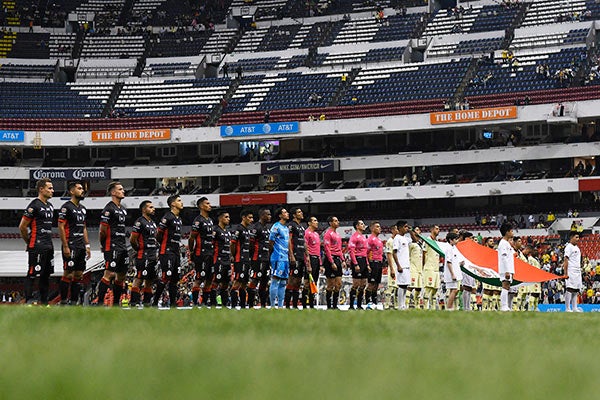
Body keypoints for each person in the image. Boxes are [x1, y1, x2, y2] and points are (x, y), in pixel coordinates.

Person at [19, 178, 55, 304]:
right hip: (37, 244)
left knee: (46, 275)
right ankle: (29, 301)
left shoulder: (50, 206)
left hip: (49, 245)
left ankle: (44, 303)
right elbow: (22, 226)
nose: (52, 190)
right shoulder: (34, 205)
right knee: (33, 272)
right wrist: (28, 242)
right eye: (49, 188)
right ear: (41, 189)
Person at [57, 181, 91, 305]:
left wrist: (87, 246)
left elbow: (84, 228)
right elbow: (60, 226)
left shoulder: (83, 209)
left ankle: (74, 301)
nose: (82, 190)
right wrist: (65, 246)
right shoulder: (66, 207)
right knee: (68, 274)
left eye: (82, 188)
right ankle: (63, 301)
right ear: (72, 191)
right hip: (70, 244)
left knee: (79, 274)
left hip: (81, 245)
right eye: (79, 188)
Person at [97, 182, 129, 306]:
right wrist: (103, 245)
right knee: (109, 273)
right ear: (113, 192)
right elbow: (102, 230)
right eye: (120, 189)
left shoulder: (123, 210)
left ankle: (115, 304)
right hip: (112, 246)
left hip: (122, 246)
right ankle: (99, 303)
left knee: (121, 276)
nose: (123, 191)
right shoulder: (108, 209)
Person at [154, 195, 183, 308]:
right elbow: (159, 233)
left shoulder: (179, 219)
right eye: (179, 201)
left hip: (176, 252)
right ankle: (155, 302)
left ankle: (173, 304)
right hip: (167, 251)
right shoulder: (168, 217)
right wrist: (164, 245)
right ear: (173, 204)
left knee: (175, 279)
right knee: (166, 276)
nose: (181, 203)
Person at [129, 200, 158, 307]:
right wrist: (139, 249)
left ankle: (146, 303)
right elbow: (133, 239)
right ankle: (133, 303)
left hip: (152, 255)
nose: (153, 209)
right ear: (144, 209)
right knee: (139, 278)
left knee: (149, 280)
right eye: (150, 207)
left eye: (153, 207)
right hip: (143, 255)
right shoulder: (140, 222)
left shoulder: (153, 223)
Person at [189, 197, 215, 307]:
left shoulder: (210, 220)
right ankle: (195, 303)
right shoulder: (198, 220)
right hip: (201, 253)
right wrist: (191, 251)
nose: (210, 205)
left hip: (211, 253)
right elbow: (191, 238)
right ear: (201, 206)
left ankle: (204, 302)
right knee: (199, 278)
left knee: (209, 279)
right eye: (207, 203)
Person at [230, 209, 254, 309]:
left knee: (244, 283)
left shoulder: (247, 230)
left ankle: (243, 306)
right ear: (243, 217)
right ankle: (234, 306)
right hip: (239, 259)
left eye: (252, 218)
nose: (251, 220)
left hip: (246, 260)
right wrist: (233, 255)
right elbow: (232, 243)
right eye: (249, 217)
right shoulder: (238, 229)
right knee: (238, 282)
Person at [248, 208, 271, 307]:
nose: (270, 216)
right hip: (257, 258)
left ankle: (263, 305)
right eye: (268, 214)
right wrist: (253, 256)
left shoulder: (267, 228)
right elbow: (251, 244)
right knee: (254, 280)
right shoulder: (256, 228)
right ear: (262, 216)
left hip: (266, 259)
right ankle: (250, 304)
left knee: (264, 282)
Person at [269, 207, 290, 308]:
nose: (287, 213)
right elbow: (270, 242)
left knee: (283, 282)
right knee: (276, 279)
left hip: (285, 258)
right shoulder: (276, 227)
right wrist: (273, 254)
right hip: (278, 257)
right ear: (280, 215)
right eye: (285, 212)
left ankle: (280, 306)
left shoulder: (286, 228)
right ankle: (273, 306)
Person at [323, 216, 345, 309]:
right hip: (330, 259)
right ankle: (329, 306)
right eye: (335, 221)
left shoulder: (338, 235)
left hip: (337, 259)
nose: (338, 222)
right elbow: (327, 248)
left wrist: (343, 260)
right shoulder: (328, 234)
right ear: (330, 223)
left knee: (338, 284)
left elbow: (339, 249)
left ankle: (335, 306)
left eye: (337, 220)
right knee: (330, 284)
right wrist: (331, 262)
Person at [286, 207, 306, 309]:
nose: (301, 213)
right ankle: (287, 306)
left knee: (298, 282)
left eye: (301, 211)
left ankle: (295, 305)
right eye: (299, 212)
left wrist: (306, 256)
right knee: (292, 280)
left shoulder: (302, 227)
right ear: (294, 215)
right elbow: (289, 240)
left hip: (301, 256)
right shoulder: (291, 225)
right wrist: (291, 255)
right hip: (295, 256)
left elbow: (304, 243)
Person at [213, 210, 233, 308]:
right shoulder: (215, 230)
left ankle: (225, 306)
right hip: (219, 260)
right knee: (216, 282)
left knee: (226, 283)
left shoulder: (228, 232)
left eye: (229, 217)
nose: (228, 219)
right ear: (220, 218)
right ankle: (212, 304)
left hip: (227, 261)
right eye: (226, 217)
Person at [348, 220, 369, 310]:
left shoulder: (363, 237)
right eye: (361, 224)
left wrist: (367, 264)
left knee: (363, 284)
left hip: (364, 260)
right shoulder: (354, 237)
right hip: (357, 260)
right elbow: (351, 251)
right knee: (356, 284)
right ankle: (351, 305)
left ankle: (359, 305)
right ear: (357, 226)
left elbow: (365, 253)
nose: (364, 225)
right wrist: (355, 264)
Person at [392, 220, 411, 310]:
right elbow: (394, 252)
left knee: (405, 285)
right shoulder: (397, 238)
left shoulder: (405, 239)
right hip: (401, 265)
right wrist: (398, 265)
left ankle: (403, 305)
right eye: (405, 227)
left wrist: (411, 231)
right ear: (399, 228)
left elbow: (415, 240)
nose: (407, 228)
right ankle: (400, 305)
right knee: (401, 285)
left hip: (407, 265)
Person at [304, 215, 321, 309]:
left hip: (316, 259)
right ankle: (304, 304)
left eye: (317, 220)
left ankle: (311, 304)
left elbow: (318, 250)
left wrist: (320, 263)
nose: (317, 222)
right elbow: (305, 248)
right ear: (309, 223)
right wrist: (308, 263)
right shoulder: (307, 233)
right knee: (307, 282)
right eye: (314, 220)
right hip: (310, 258)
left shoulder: (316, 234)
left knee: (313, 282)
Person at [422, 225, 441, 310]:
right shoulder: (427, 240)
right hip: (429, 267)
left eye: (439, 229)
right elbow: (423, 253)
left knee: (435, 289)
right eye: (437, 229)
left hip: (436, 268)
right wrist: (423, 265)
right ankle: (425, 307)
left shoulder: (437, 241)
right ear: (432, 230)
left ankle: (433, 308)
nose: (438, 230)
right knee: (428, 288)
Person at [498, 222, 515, 311]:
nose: (513, 233)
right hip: (505, 269)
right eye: (511, 231)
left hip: (508, 269)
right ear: (507, 232)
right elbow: (504, 258)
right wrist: (507, 271)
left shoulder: (507, 243)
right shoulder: (503, 243)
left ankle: (506, 306)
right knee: (505, 286)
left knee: (507, 286)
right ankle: (504, 306)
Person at [366, 221, 384, 308]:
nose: (379, 228)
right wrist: (368, 264)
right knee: (371, 283)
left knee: (376, 284)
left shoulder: (379, 240)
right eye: (377, 226)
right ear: (372, 228)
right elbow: (366, 252)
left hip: (379, 263)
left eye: (379, 226)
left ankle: (374, 302)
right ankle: (367, 302)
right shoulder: (370, 239)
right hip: (373, 263)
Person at [564, 232, 582, 312]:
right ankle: (567, 308)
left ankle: (574, 307)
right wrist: (565, 273)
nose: (578, 239)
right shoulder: (569, 247)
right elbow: (566, 260)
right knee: (570, 289)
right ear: (571, 238)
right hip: (571, 270)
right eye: (576, 237)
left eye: (578, 237)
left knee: (576, 290)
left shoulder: (577, 248)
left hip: (577, 271)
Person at [443, 232, 461, 310]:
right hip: (451, 273)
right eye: (455, 239)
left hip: (454, 272)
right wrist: (453, 274)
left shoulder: (453, 248)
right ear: (450, 240)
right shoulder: (448, 248)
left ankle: (451, 307)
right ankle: (449, 307)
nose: (457, 241)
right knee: (454, 290)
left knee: (453, 290)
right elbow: (449, 262)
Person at [407, 227, 424, 309]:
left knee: (419, 287)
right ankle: (406, 305)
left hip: (420, 268)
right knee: (410, 286)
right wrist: (411, 231)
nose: (418, 232)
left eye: (419, 230)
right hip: (413, 268)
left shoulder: (421, 243)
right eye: (416, 230)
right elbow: (414, 239)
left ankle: (417, 305)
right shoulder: (411, 243)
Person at [384, 225, 399, 309]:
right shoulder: (390, 241)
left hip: (398, 268)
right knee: (391, 287)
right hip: (393, 267)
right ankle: (387, 305)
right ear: (392, 230)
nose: (397, 231)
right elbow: (389, 255)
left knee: (397, 288)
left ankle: (396, 305)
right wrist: (392, 268)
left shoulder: (398, 240)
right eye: (396, 229)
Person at [526, 246, 542, 311]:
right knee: (533, 292)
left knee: (537, 293)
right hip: (533, 278)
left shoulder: (536, 259)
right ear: (531, 252)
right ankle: (530, 308)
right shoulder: (530, 259)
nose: (536, 252)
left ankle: (535, 308)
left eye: (537, 250)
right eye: (534, 250)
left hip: (538, 278)